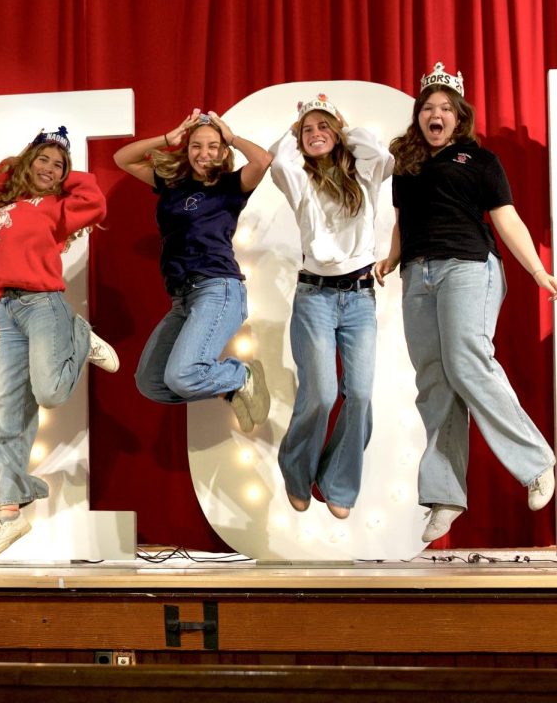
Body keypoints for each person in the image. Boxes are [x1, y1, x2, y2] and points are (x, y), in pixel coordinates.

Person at [375, 62, 557, 542]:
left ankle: (536, 462)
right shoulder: (407, 165)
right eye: (428, 108)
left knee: (466, 361)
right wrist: (392, 257)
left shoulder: (479, 161)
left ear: (459, 117)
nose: (436, 115)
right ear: (419, 117)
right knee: (434, 381)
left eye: (445, 109)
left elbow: (507, 219)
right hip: (418, 272)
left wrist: (538, 270)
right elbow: (403, 219)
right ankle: (444, 495)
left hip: (468, 266)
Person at [0, 126, 116, 560]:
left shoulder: (57, 209)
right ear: (26, 162)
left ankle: (80, 336)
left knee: (48, 393)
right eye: (43, 160)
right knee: (7, 410)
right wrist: (19, 161)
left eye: (59, 165)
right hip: (6, 313)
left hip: (42, 304)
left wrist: (66, 177)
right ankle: (11, 509)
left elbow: (95, 200)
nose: (50, 169)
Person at [269, 94, 394, 519]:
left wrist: (342, 123)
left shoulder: (364, 176)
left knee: (358, 394)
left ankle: (338, 480)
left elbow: (380, 152)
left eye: (324, 128)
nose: (315, 134)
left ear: (339, 133)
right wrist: (294, 127)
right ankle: (297, 469)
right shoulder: (300, 180)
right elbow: (278, 160)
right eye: (308, 130)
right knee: (320, 394)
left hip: (359, 298)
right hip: (315, 297)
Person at [112, 110, 273, 432]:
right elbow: (122, 159)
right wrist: (167, 139)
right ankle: (230, 389)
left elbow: (263, 161)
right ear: (186, 151)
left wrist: (232, 137)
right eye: (196, 146)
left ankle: (242, 375)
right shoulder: (172, 184)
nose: (204, 154)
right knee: (152, 382)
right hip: (182, 297)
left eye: (213, 146)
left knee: (182, 375)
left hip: (218, 288)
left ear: (224, 151)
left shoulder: (231, 185)